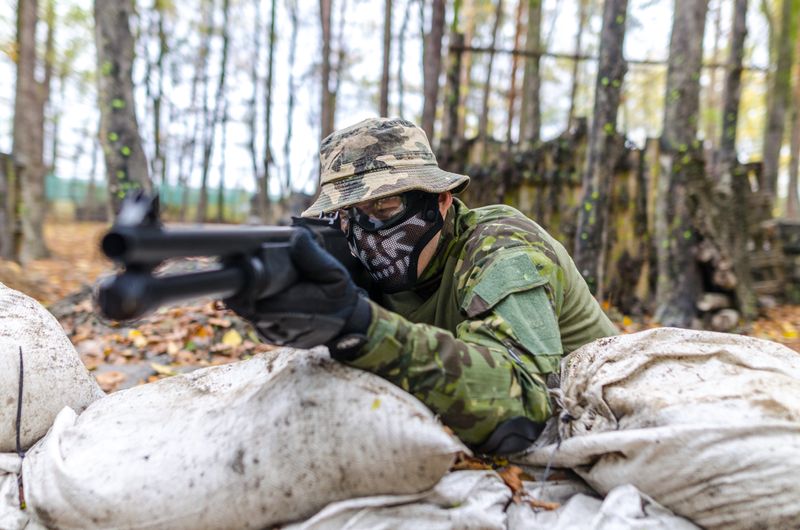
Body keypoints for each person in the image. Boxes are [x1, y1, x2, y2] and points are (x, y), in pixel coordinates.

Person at [230, 117, 618, 455]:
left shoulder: (501, 247)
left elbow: (526, 406)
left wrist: (360, 326)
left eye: (386, 209)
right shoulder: (359, 261)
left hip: (605, 412)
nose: (368, 234)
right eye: (348, 216)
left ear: (442, 201)